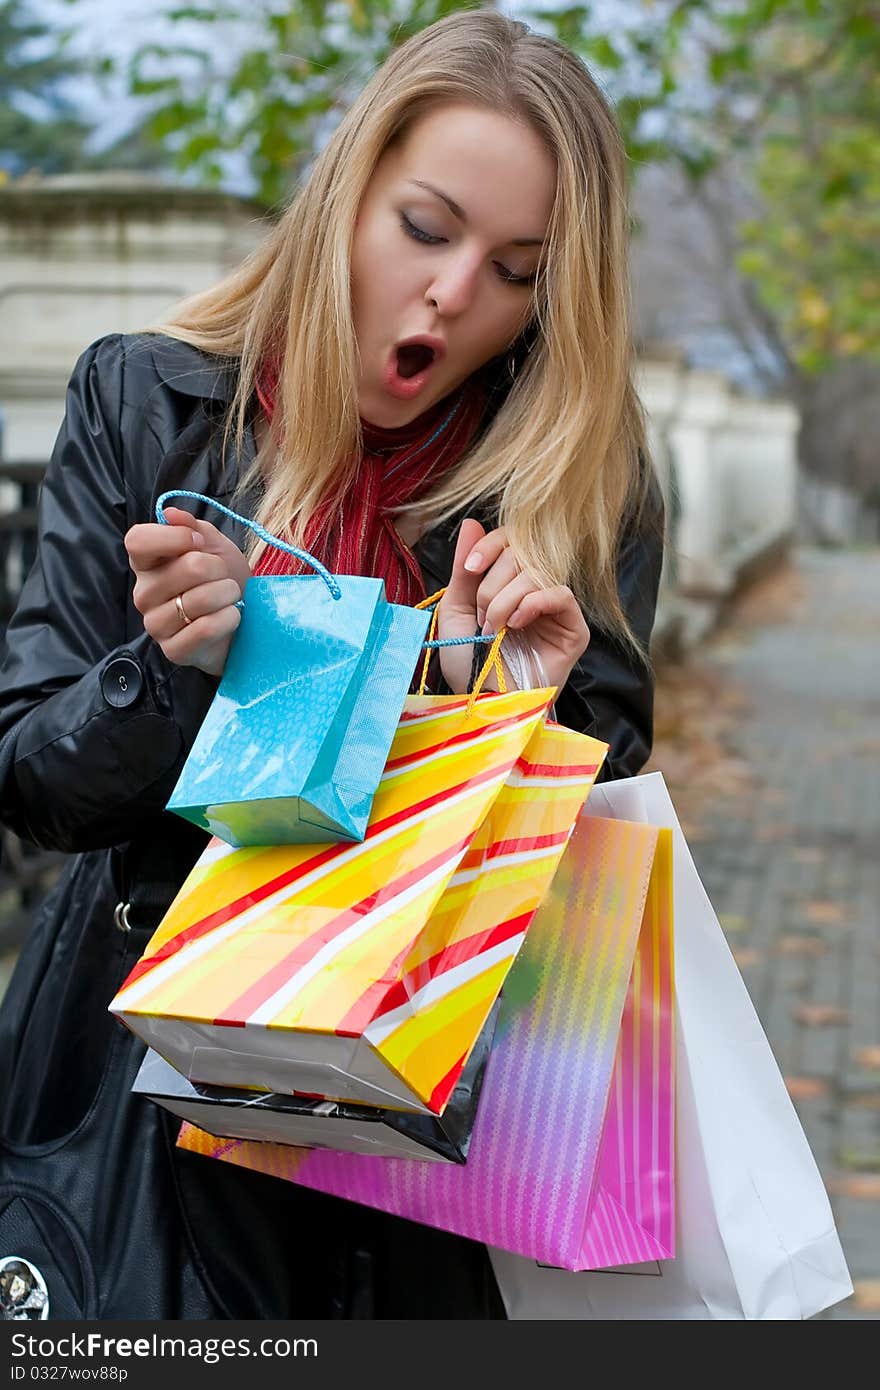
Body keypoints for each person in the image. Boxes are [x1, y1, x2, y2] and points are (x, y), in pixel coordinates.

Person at [0, 9, 663, 1319]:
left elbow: (596, 844)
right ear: (348, 195)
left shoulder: (586, 483)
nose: (454, 294)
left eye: (518, 269)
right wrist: (178, 668)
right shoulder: (147, 402)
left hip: (431, 1166)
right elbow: (32, 775)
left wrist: (511, 705)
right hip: (146, 1135)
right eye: (426, 228)